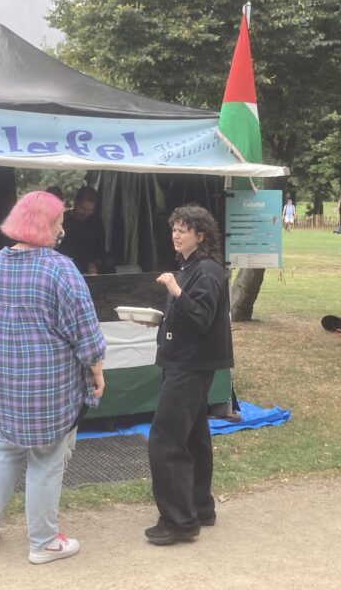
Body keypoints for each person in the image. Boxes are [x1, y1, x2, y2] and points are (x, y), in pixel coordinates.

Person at [0, 191, 106, 565]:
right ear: (47, 225)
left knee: (5, 446)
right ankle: (43, 542)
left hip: (2, 384)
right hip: (50, 389)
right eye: (59, 220)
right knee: (47, 456)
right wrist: (96, 369)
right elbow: (85, 331)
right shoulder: (61, 268)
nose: (63, 226)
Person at [146, 205, 234, 546]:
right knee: (195, 437)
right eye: (174, 229)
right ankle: (200, 507)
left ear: (201, 235)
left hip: (190, 365)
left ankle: (178, 522)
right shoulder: (192, 268)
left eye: (183, 229)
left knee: (165, 441)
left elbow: (201, 317)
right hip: (183, 361)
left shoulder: (207, 271)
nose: (176, 234)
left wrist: (174, 289)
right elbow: (190, 317)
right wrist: (159, 319)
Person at [58, 185, 106, 274]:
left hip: (90, 273)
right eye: (83, 209)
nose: (86, 214)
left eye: (90, 210)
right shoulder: (63, 220)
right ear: (76, 203)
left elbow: (100, 252)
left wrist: (94, 264)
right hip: (65, 271)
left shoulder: (96, 222)